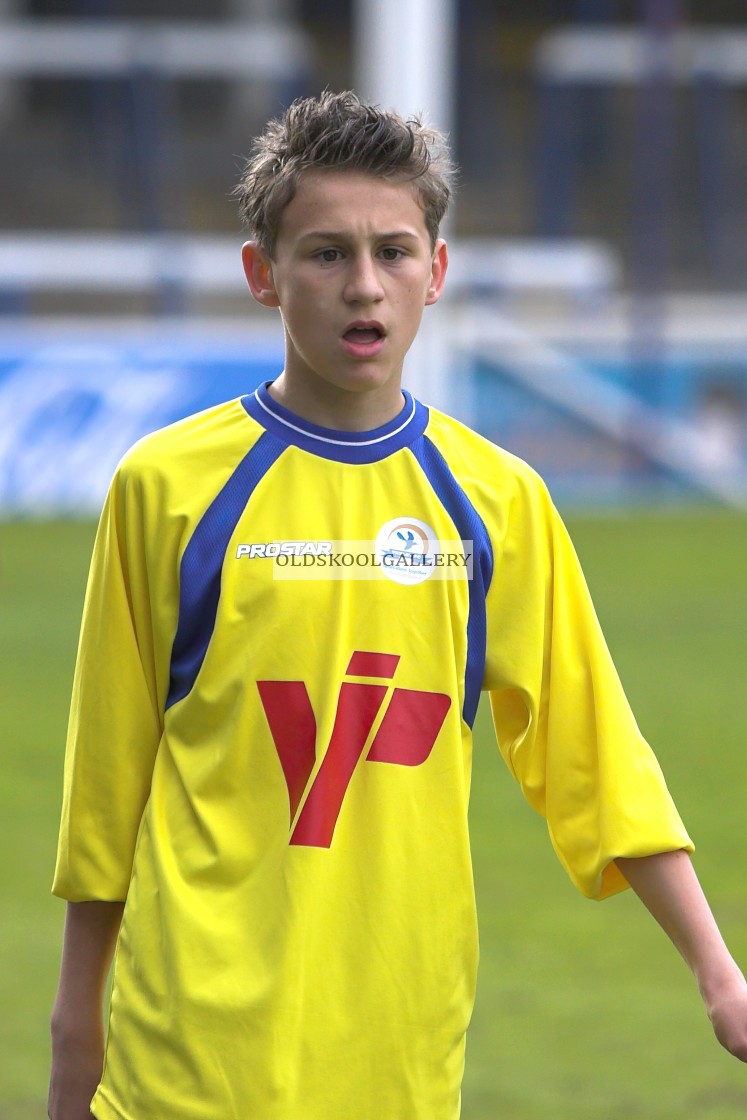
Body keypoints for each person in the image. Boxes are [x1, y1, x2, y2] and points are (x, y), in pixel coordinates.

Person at [48, 90, 747, 1120]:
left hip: (401, 1058)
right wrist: (75, 1032)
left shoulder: (496, 502)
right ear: (263, 275)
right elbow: (105, 782)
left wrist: (719, 972)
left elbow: (594, 757)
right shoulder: (166, 488)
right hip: (188, 1062)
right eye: (325, 253)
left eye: (395, 252)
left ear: (439, 271)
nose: (364, 286)